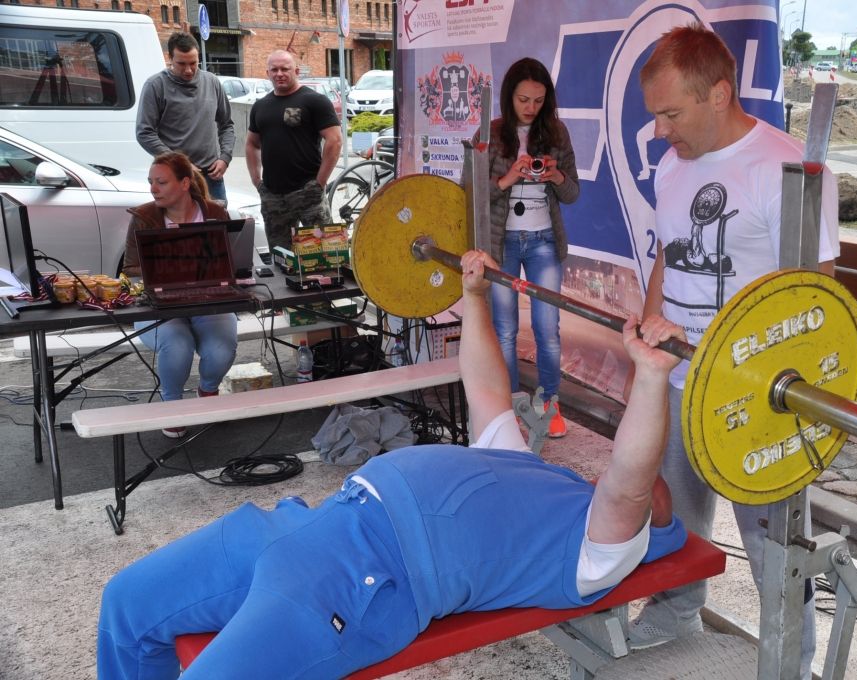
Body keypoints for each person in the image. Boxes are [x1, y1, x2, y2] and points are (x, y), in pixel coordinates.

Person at [96, 249, 689, 680]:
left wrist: (652, 374)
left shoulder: (593, 553)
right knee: (126, 605)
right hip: (303, 523)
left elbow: (629, 480)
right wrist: (476, 296)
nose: (652, 491)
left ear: (645, 534)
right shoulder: (531, 470)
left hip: (360, 580)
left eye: (651, 507)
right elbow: (484, 385)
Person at [625, 24, 840, 680]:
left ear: (718, 94)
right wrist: (651, 317)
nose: (661, 131)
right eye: (655, 115)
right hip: (678, 379)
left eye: (670, 113)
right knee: (675, 506)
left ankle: (789, 661)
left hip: (757, 393)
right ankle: (677, 606)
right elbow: (668, 250)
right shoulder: (670, 166)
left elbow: (817, 295)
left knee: (773, 536)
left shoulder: (788, 172)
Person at [465, 57, 580, 438]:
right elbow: (470, 194)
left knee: (549, 329)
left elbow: (572, 193)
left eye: (538, 100)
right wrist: (509, 177)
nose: (531, 108)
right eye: (523, 99)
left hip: (544, 239)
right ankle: (511, 407)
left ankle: (549, 404)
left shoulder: (557, 133)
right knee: (505, 330)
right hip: (503, 243)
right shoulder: (491, 133)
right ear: (508, 97)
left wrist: (556, 174)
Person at [123, 152, 239, 438]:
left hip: (208, 300)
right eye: (151, 182)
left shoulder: (215, 213)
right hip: (158, 305)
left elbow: (231, 261)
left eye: (161, 182)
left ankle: (208, 390)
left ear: (185, 183)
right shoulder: (143, 217)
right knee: (177, 345)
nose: (153, 189)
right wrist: (162, 270)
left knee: (222, 348)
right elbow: (129, 270)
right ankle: (172, 406)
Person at [245, 50, 341, 252]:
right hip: (272, 196)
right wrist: (257, 181)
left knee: (327, 253)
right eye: (274, 69)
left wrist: (319, 183)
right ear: (267, 73)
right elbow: (252, 144)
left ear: (296, 71)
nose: (279, 73)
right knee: (281, 258)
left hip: (308, 192)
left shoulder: (314, 101)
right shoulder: (260, 106)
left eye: (285, 69)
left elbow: (334, 140)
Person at [136, 32, 234, 204]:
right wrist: (179, 162)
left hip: (211, 176)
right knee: (178, 229)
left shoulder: (211, 82)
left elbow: (226, 125)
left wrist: (224, 158)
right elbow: (144, 133)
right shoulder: (155, 85)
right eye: (181, 64)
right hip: (173, 177)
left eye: (193, 63)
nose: (188, 70)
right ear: (170, 58)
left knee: (218, 228)